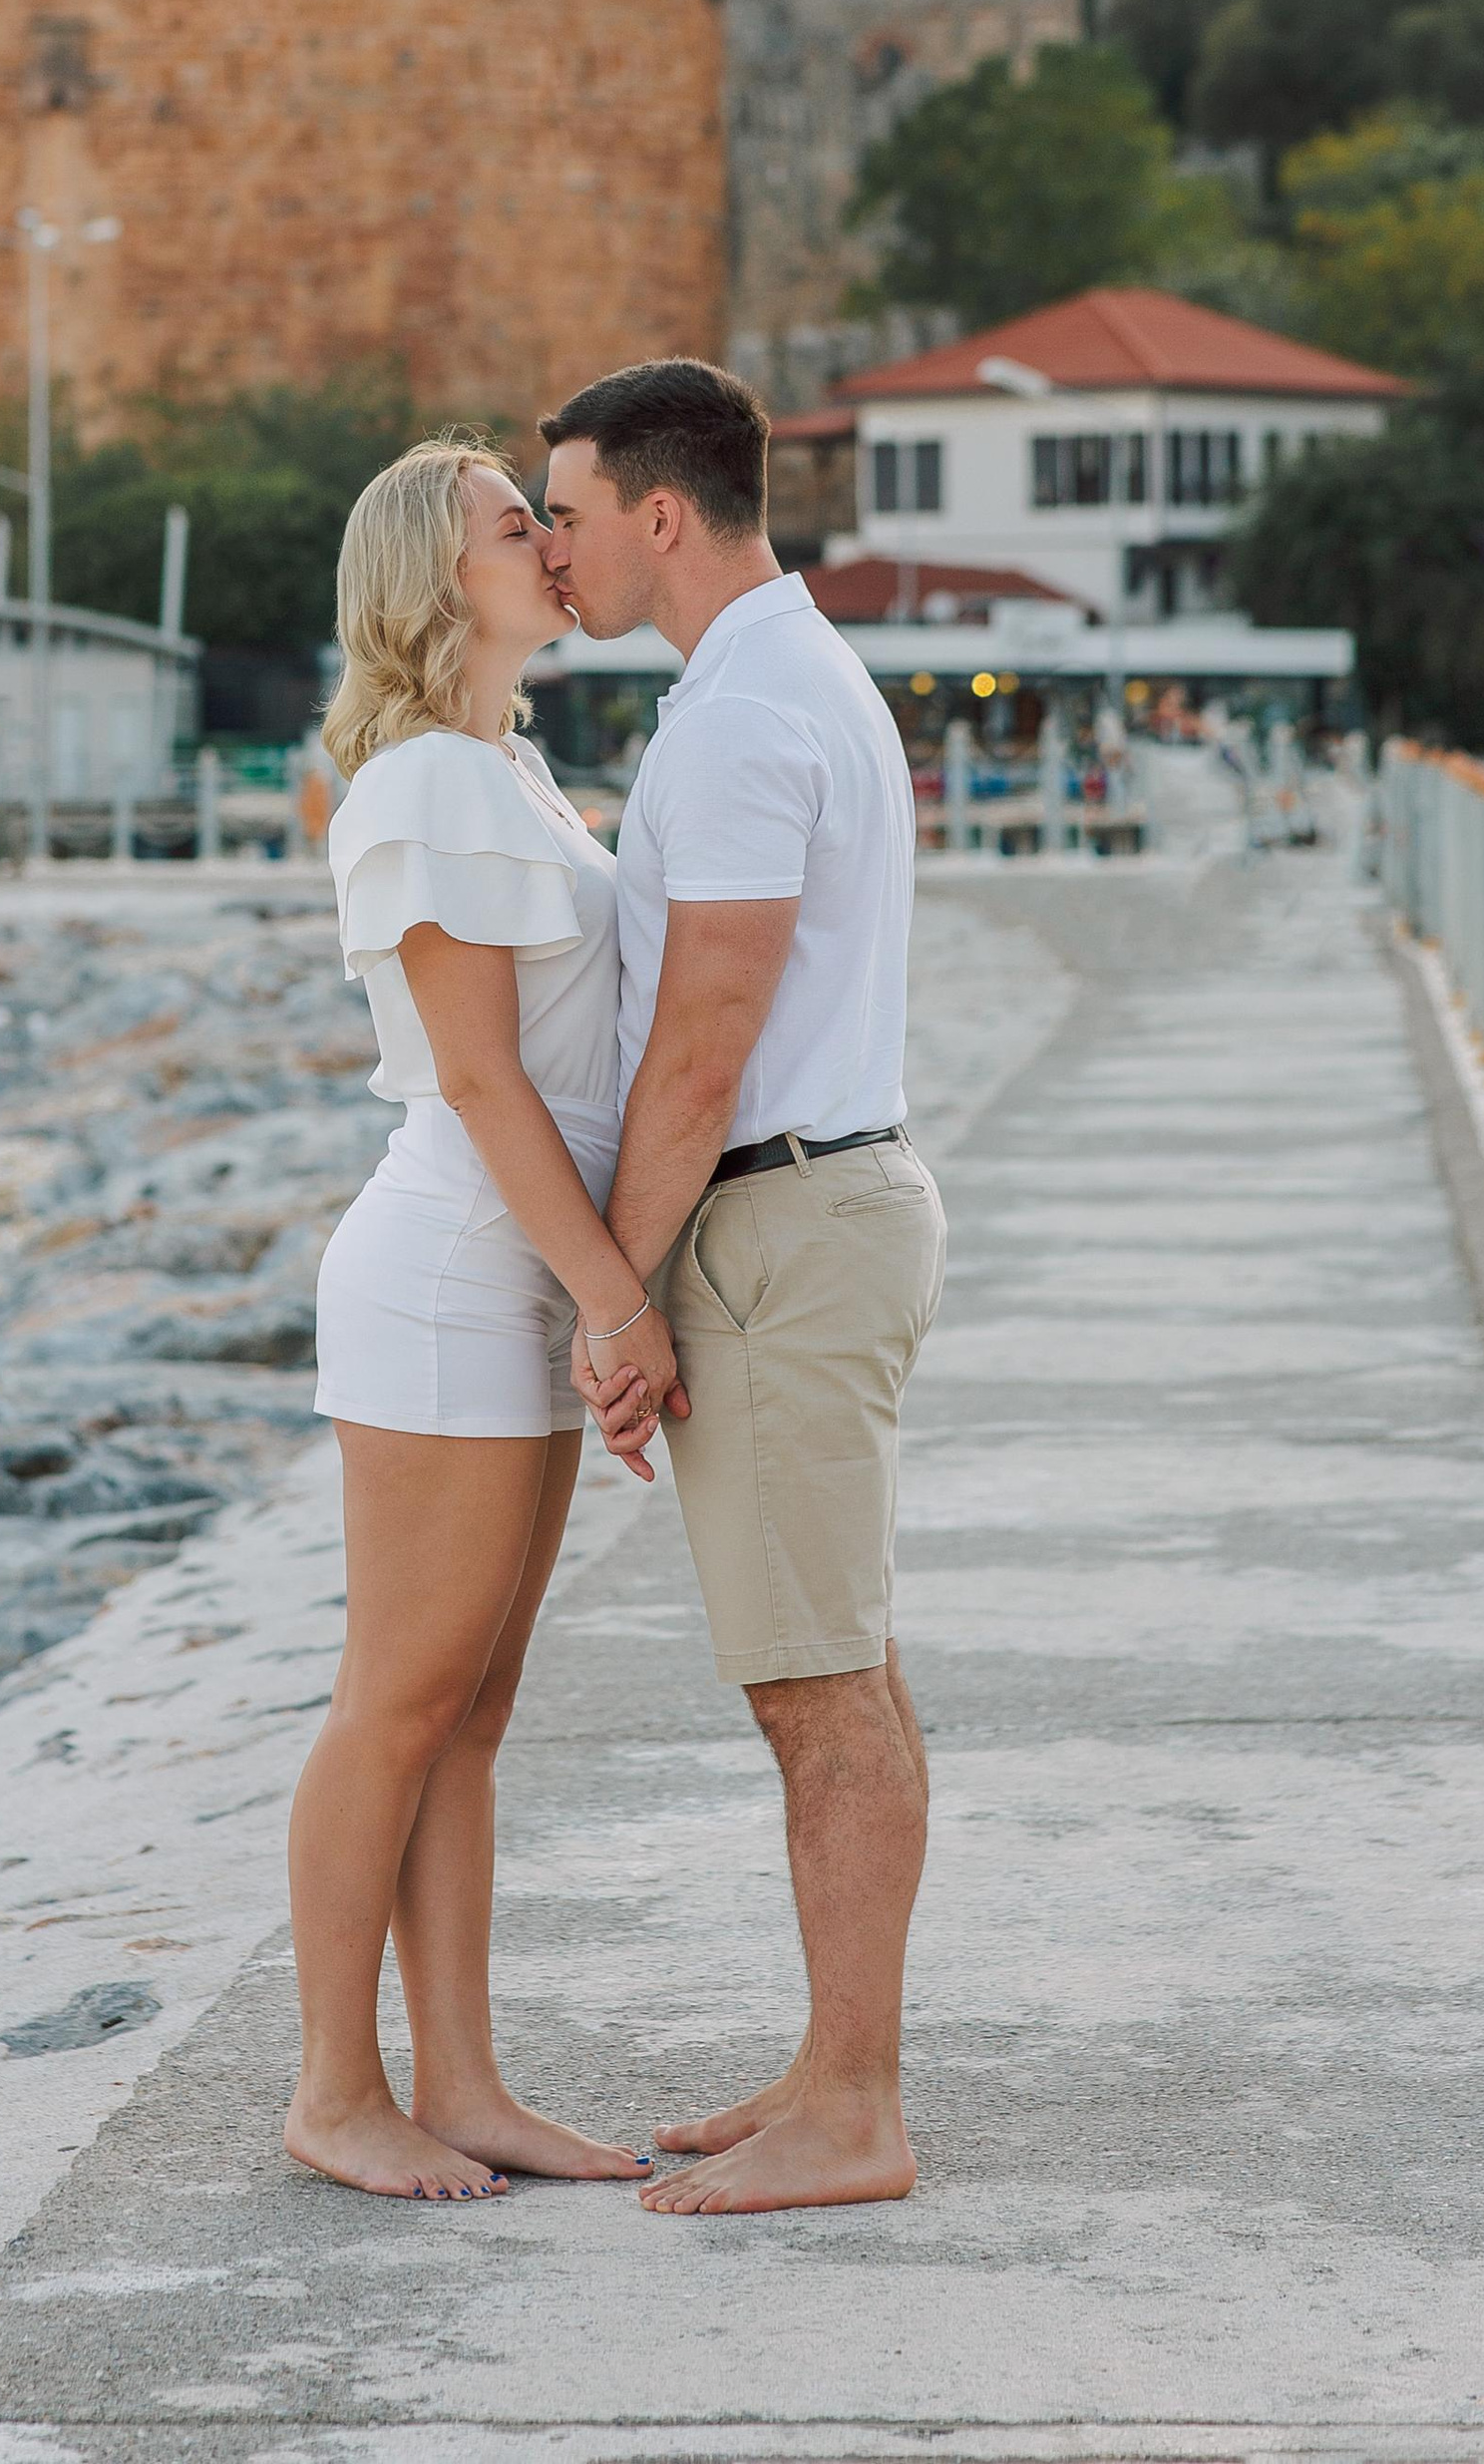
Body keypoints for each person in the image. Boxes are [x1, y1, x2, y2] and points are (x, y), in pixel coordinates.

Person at [540, 357, 944, 2218]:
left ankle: (855, 2109)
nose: (552, 548)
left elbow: (701, 1049)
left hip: (784, 1226)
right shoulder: (788, 676)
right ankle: (828, 2065)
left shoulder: (734, 718)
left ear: (660, 515)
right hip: (813, 1210)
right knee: (839, 1660)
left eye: (565, 511)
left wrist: (614, 1302)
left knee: (815, 1690)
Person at [283, 435, 676, 2204]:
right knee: (399, 1696)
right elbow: (480, 1078)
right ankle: (331, 2088)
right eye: (523, 525)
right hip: (456, 1276)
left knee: (476, 1711)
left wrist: (596, 1285)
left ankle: (465, 2082)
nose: (557, 540)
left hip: (526, 1274)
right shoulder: (429, 786)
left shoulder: (507, 771)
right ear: (441, 581)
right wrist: (614, 1298)